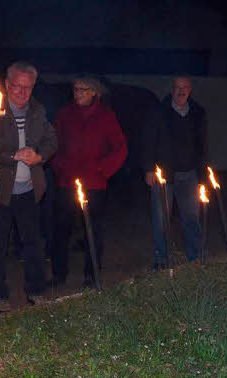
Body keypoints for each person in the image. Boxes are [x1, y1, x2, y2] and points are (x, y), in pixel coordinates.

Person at [0, 61, 57, 309]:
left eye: (28, 88)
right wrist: (14, 155)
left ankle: (36, 290)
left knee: (33, 244)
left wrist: (39, 156)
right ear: (7, 85)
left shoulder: (37, 111)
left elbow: (52, 139)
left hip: (29, 191)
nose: (22, 93)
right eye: (17, 87)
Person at [50, 74, 127, 287]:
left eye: (83, 90)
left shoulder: (106, 116)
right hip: (67, 181)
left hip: (94, 183)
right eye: (76, 89)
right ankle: (59, 274)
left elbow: (120, 148)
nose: (78, 94)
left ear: (95, 92)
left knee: (92, 229)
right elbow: (53, 143)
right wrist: (58, 166)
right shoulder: (65, 114)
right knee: (61, 229)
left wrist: (103, 169)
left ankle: (91, 274)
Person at [142, 75, 208, 268]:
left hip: (189, 174)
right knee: (161, 219)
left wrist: (202, 174)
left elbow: (203, 146)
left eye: (185, 87)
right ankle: (161, 259)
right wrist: (148, 168)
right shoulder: (158, 112)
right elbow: (147, 141)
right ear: (172, 89)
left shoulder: (198, 113)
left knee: (191, 218)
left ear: (190, 89)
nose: (181, 91)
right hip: (163, 175)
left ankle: (195, 257)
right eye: (178, 87)